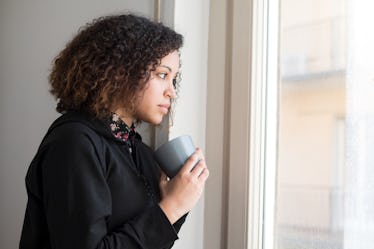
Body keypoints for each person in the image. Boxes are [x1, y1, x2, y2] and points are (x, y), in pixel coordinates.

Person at [19, 14, 209, 249]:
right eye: (162, 74)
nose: (172, 91)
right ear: (122, 72)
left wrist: (178, 198)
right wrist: (173, 208)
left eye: (174, 79)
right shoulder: (74, 143)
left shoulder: (138, 150)